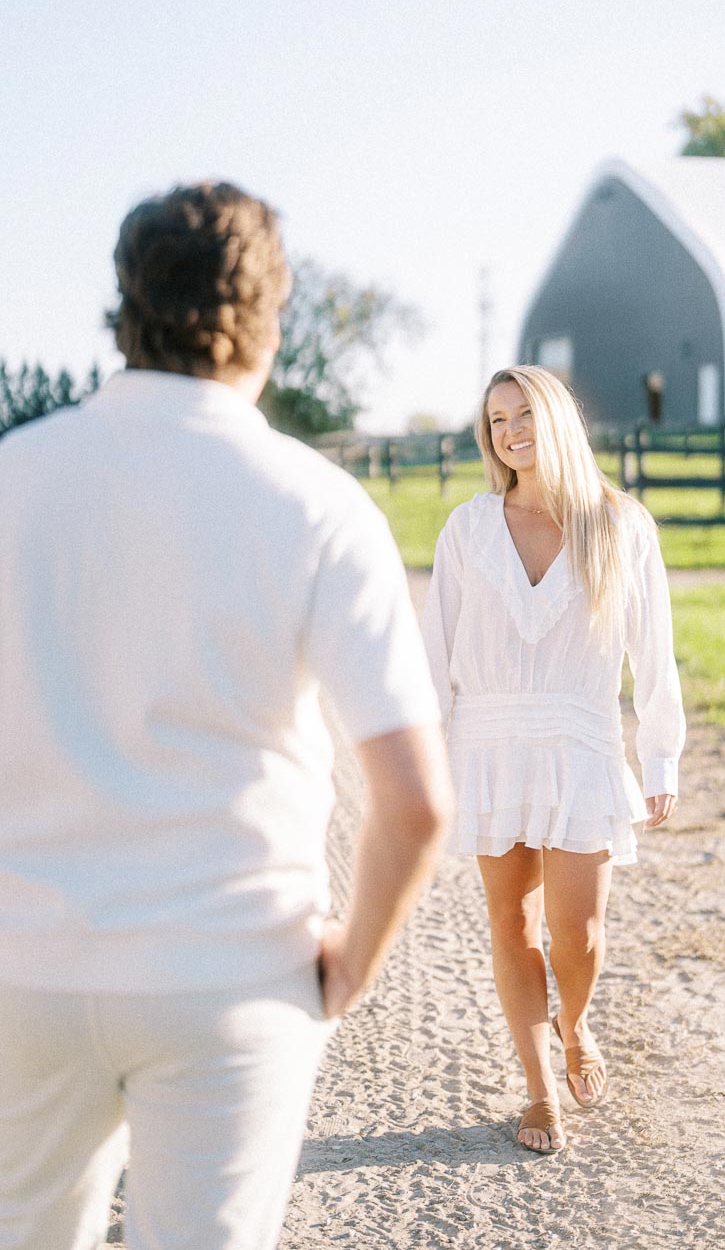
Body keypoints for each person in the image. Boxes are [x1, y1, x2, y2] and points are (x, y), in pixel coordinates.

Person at [0, 181, 453, 1248]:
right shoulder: (315, 504)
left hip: (24, 970)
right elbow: (417, 801)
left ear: (124, 306)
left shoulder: (14, 476)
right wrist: (352, 963)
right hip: (229, 974)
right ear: (269, 315)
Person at [422, 366, 685, 1155]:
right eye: (496, 418)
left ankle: (577, 1024)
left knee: (580, 932)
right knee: (512, 921)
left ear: (557, 418)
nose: (509, 430)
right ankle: (540, 1093)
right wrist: (427, 758)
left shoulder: (619, 525)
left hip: (581, 744)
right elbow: (434, 653)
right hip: (490, 742)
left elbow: (655, 654)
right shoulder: (468, 529)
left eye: (523, 411)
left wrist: (661, 758)